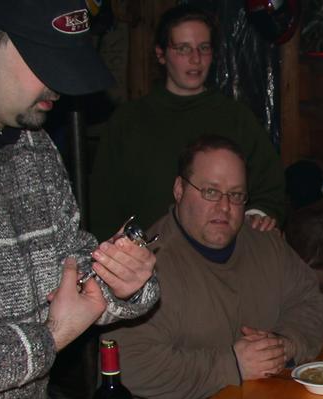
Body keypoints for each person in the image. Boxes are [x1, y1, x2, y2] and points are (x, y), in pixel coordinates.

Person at [0, 0, 160, 399]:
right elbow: (55, 324)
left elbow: (68, 270)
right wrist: (51, 336)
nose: (61, 87)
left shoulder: (35, 148)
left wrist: (125, 283)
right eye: (45, 64)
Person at [104, 134, 323, 399]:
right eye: (211, 192)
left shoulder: (265, 243)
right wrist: (232, 366)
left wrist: (286, 345)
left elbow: (312, 303)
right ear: (179, 189)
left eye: (236, 195)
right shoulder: (143, 266)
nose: (224, 207)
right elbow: (130, 366)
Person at [88, 3, 286, 242]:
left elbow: (271, 186)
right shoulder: (128, 121)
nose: (195, 59)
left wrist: (258, 214)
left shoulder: (236, 117)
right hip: (147, 259)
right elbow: (103, 204)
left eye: (203, 48)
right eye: (183, 49)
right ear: (161, 54)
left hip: (220, 257)